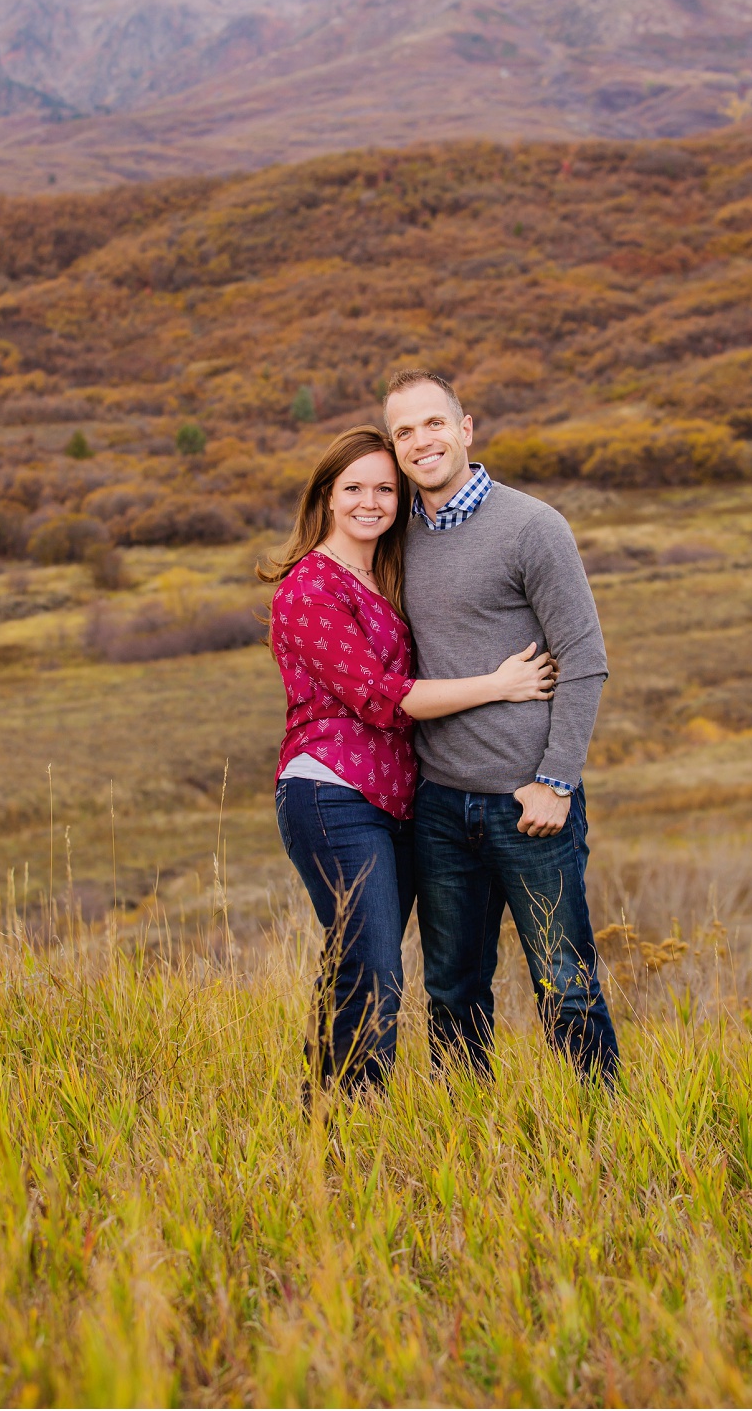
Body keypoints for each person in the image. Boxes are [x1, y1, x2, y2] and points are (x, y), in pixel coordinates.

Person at [259, 425, 558, 1096]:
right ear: (327, 499)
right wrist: (498, 685)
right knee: (371, 968)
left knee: (368, 963)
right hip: (331, 793)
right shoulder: (309, 590)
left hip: (398, 799)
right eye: (354, 488)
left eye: (385, 488)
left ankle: (336, 1115)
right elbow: (380, 698)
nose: (371, 501)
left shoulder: (387, 571)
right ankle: (340, 1127)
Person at [383, 370, 619, 1084]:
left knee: (566, 988)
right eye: (403, 432)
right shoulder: (398, 540)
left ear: (466, 428)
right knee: (452, 994)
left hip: (529, 809)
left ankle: (605, 1138)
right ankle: (471, 1142)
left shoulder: (532, 526)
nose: (421, 441)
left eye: (433, 423)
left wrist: (555, 781)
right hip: (440, 809)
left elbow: (584, 657)